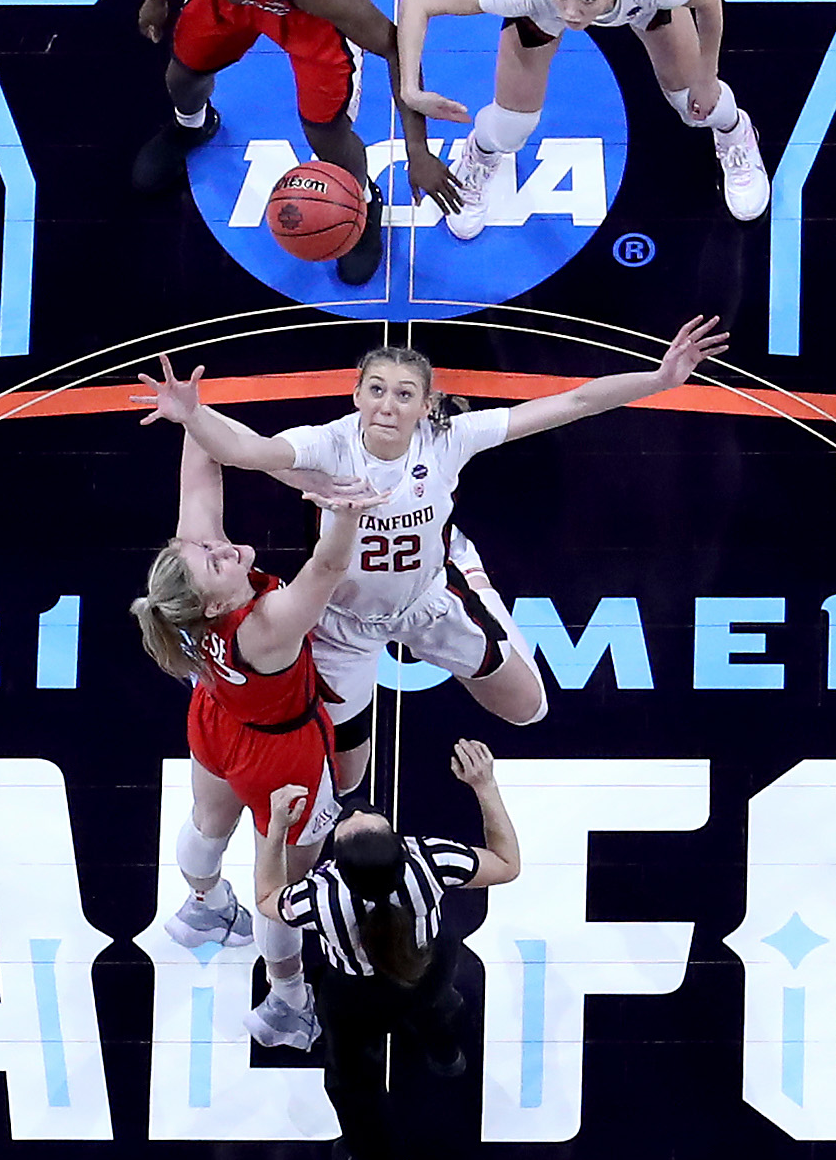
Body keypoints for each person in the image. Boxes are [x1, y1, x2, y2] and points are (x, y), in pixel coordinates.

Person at [133, 315, 726, 803]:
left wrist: (661, 378)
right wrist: (192, 415)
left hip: (427, 600)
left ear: (425, 404)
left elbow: (572, 403)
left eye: (405, 393)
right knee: (346, 780)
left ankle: (467, 570)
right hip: (343, 624)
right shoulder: (327, 444)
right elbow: (246, 449)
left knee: (530, 710)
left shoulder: (450, 438)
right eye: (377, 390)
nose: (388, 404)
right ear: (357, 394)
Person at [135, 432, 362, 1050]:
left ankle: (203, 905)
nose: (223, 547)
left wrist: (191, 419)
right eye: (215, 560)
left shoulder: (187, 594)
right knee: (283, 891)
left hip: (217, 720)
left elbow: (201, 482)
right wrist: (343, 515)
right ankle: (288, 1002)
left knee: (209, 821)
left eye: (208, 547)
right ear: (212, 599)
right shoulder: (264, 627)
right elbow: (328, 568)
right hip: (281, 758)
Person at [386, 0, 763, 238]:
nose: (571, 13)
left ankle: (735, 132)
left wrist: (706, 77)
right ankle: (481, 155)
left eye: (587, 0)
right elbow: (418, 0)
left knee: (693, 104)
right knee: (511, 128)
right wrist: (410, 91)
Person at [130, 0, 449, 288]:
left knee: (325, 131)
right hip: (232, 7)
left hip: (306, 16)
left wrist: (416, 149)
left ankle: (363, 204)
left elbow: (396, 48)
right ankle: (193, 126)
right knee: (183, 75)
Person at [275, 741, 522, 1160]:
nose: (356, 811)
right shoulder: (429, 860)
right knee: (435, 1000)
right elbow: (507, 865)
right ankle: (446, 1050)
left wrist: (275, 834)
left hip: (354, 997)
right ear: (399, 847)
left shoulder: (321, 894)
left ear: (338, 867)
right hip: (426, 967)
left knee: (353, 1088)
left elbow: (271, 899)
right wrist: (485, 786)